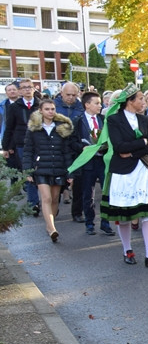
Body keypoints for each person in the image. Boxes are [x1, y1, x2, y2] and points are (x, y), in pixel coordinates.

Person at [90, 85, 148, 266]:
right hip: (123, 172)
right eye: (140, 98)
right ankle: (127, 250)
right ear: (130, 101)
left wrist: (132, 152)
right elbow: (119, 146)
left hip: (143, 169)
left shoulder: (144, 119)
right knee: (124, 215)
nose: (143, 101)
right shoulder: (114, 119)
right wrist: (141, 142)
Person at [22, 99, 77, 243]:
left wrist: (70, 172)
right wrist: (27, 170)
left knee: (54, 199)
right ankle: (51, 228)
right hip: (41, 168)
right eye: (47, 109)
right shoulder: (34, 129)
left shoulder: (61, 128)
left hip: (58, 167)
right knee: (45, 198)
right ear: (40, 111)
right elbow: (28, 151)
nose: (50, 112)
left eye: (52, 109)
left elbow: (66, 153)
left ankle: (50, 223)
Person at [73, 91, 113, 236]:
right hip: (87, 163)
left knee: (106, 192)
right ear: (87, 104)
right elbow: (73, 141)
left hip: (102, 161)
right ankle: (89, 223)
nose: (100, 105)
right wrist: (82, 148)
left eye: (100, 102)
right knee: (88, 194)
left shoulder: (103, 119)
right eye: (96, 103)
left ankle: (105, 223)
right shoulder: (78, 121)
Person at [3, 78, 41, 215]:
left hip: (39, 143)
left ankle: (48, 200)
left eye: (29, 87)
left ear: (33, 89)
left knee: (40, 171)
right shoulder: (15, 107)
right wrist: (6, 147)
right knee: (28, 172)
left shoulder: (40, 105)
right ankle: (33, 204)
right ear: (20, 91)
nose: (27, 90)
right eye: (24, 87)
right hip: (22, 144)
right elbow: (9, 127)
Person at [55, 82, 86, 222]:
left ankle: (77, 212)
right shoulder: (53, 107)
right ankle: (53, 208)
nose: (71, 97)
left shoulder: (81, 108)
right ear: (62, 93)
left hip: (75, 147)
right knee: (57, 180)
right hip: (57, 148)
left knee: (78, 181)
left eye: (74, 95)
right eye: (68, 95)